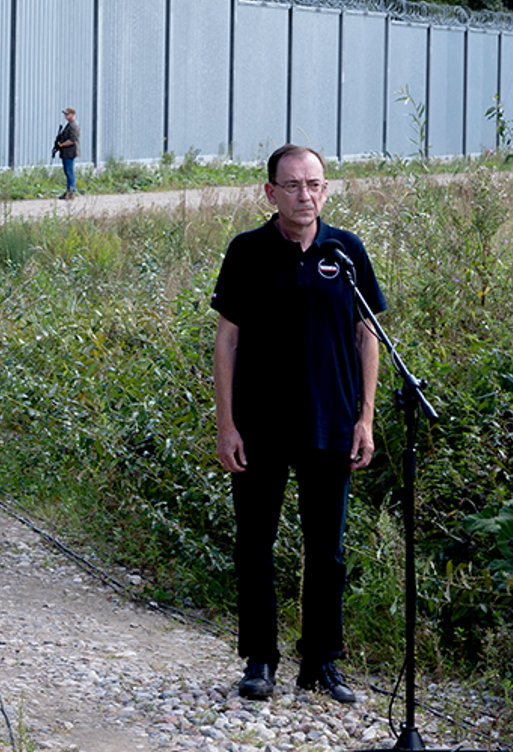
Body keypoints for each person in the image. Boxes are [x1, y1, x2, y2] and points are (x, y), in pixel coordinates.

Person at [210, 144, 382, 705]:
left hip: (331, 424)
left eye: (314, 184)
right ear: (270, 192)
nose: (304, 195)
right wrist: (226, 424)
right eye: (292, 185)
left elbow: (366, 336)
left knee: (326, 550)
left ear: (325, 190)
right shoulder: (247, 252)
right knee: (255, 545)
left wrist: (365, 419)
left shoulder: (346, 252)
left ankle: (322, 663)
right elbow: (228, 339)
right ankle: (260, 659)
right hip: (259, 426)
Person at [52, 107, 80, 200]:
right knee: (67, 172)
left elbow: (72, 140)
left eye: (67, 114)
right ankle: (69, 191)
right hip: (66, 152)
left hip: (70, 152)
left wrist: (61, 145)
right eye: (65, 114)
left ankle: (71, 192)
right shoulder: (69, 125)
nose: (65, 116)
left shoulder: (74, 125)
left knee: (70, 171)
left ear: (72, 114)